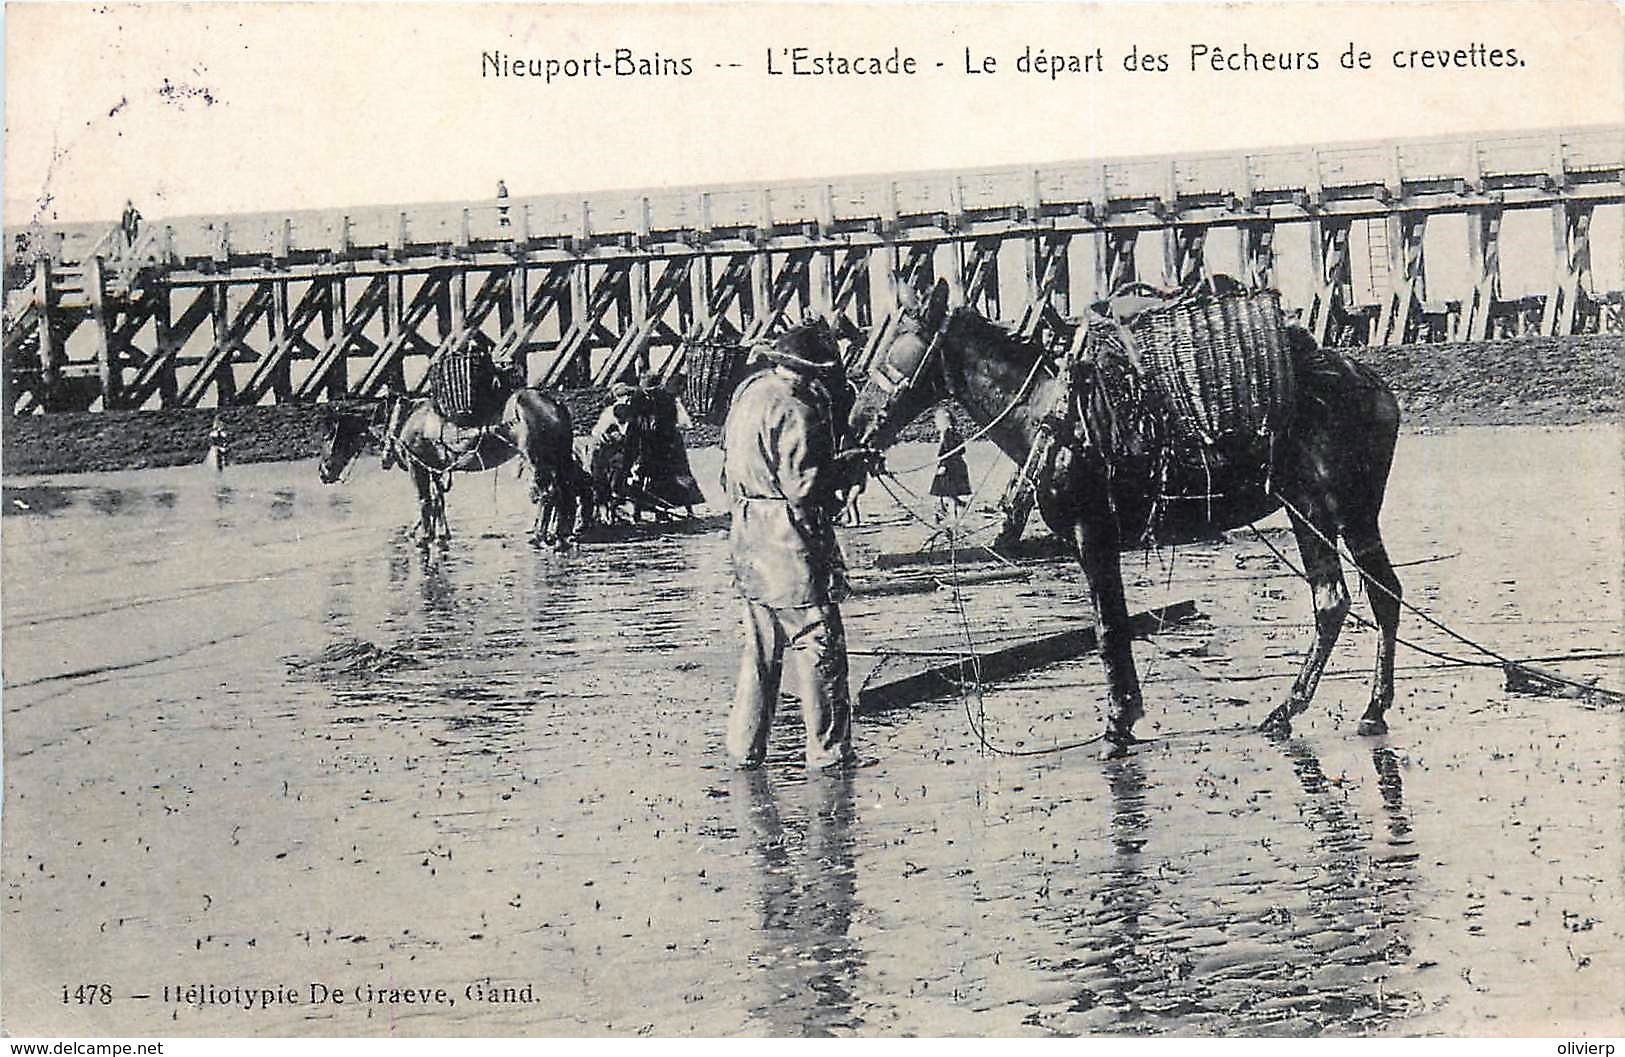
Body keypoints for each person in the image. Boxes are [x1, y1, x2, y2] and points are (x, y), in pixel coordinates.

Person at [721, 326, 857, 771]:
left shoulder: (749, 393)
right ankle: (828, 750)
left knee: (760, 649)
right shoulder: (799, 407)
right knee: (818, 642)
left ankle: (744, 748)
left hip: (747, 536)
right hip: (788, 542)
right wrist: (847, 469)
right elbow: (804, 487)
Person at [929, 405, 971, 523]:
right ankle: (947, 513)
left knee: (947, 492)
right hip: (957, 465)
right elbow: (961, 450)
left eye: (938, 421)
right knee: (948, 492)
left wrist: (943, 466)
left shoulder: (948, 433)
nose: (936, 424)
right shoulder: (955, 433)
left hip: (949, 466)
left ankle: (948, 515)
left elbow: (947, 451)